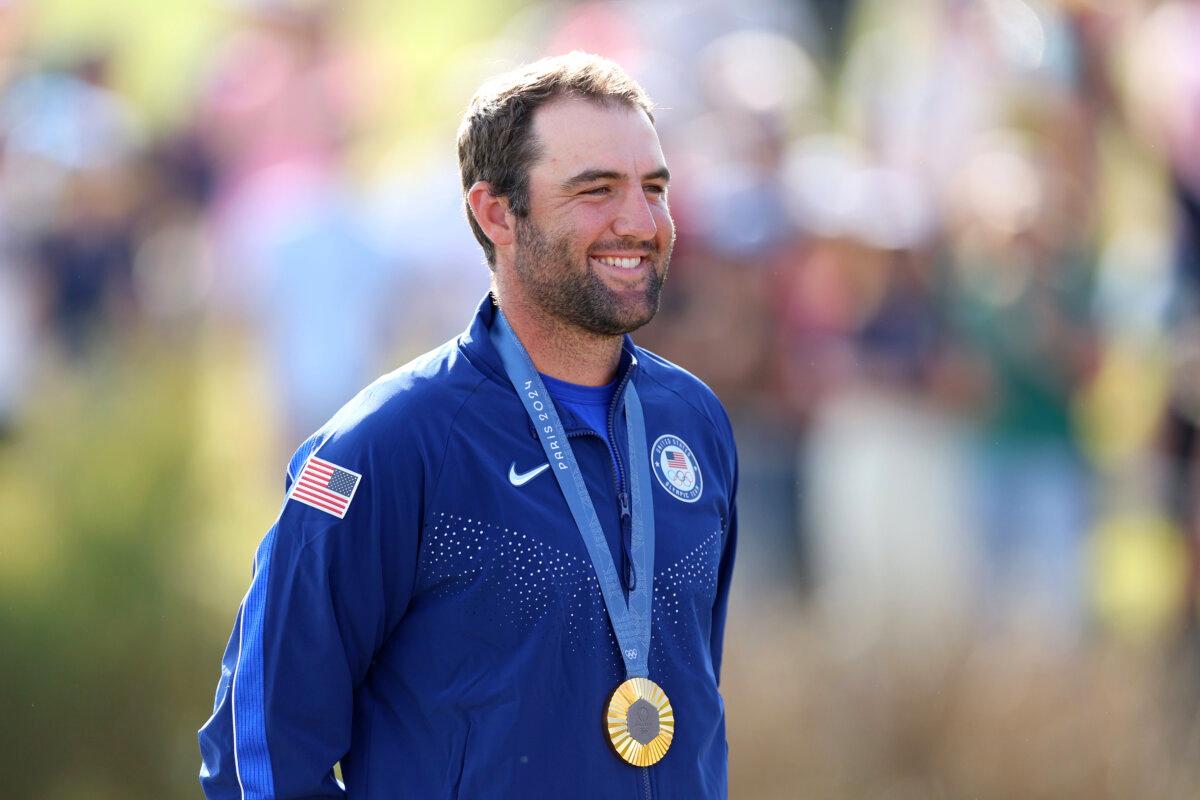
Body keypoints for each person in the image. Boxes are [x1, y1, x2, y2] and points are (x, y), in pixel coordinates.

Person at [198, 52, 738, 800]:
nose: (639, 222)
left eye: (653, 188)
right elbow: (256, 750)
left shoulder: (694, 424)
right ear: (495, 213)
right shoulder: (384, 446)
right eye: (595, 191)